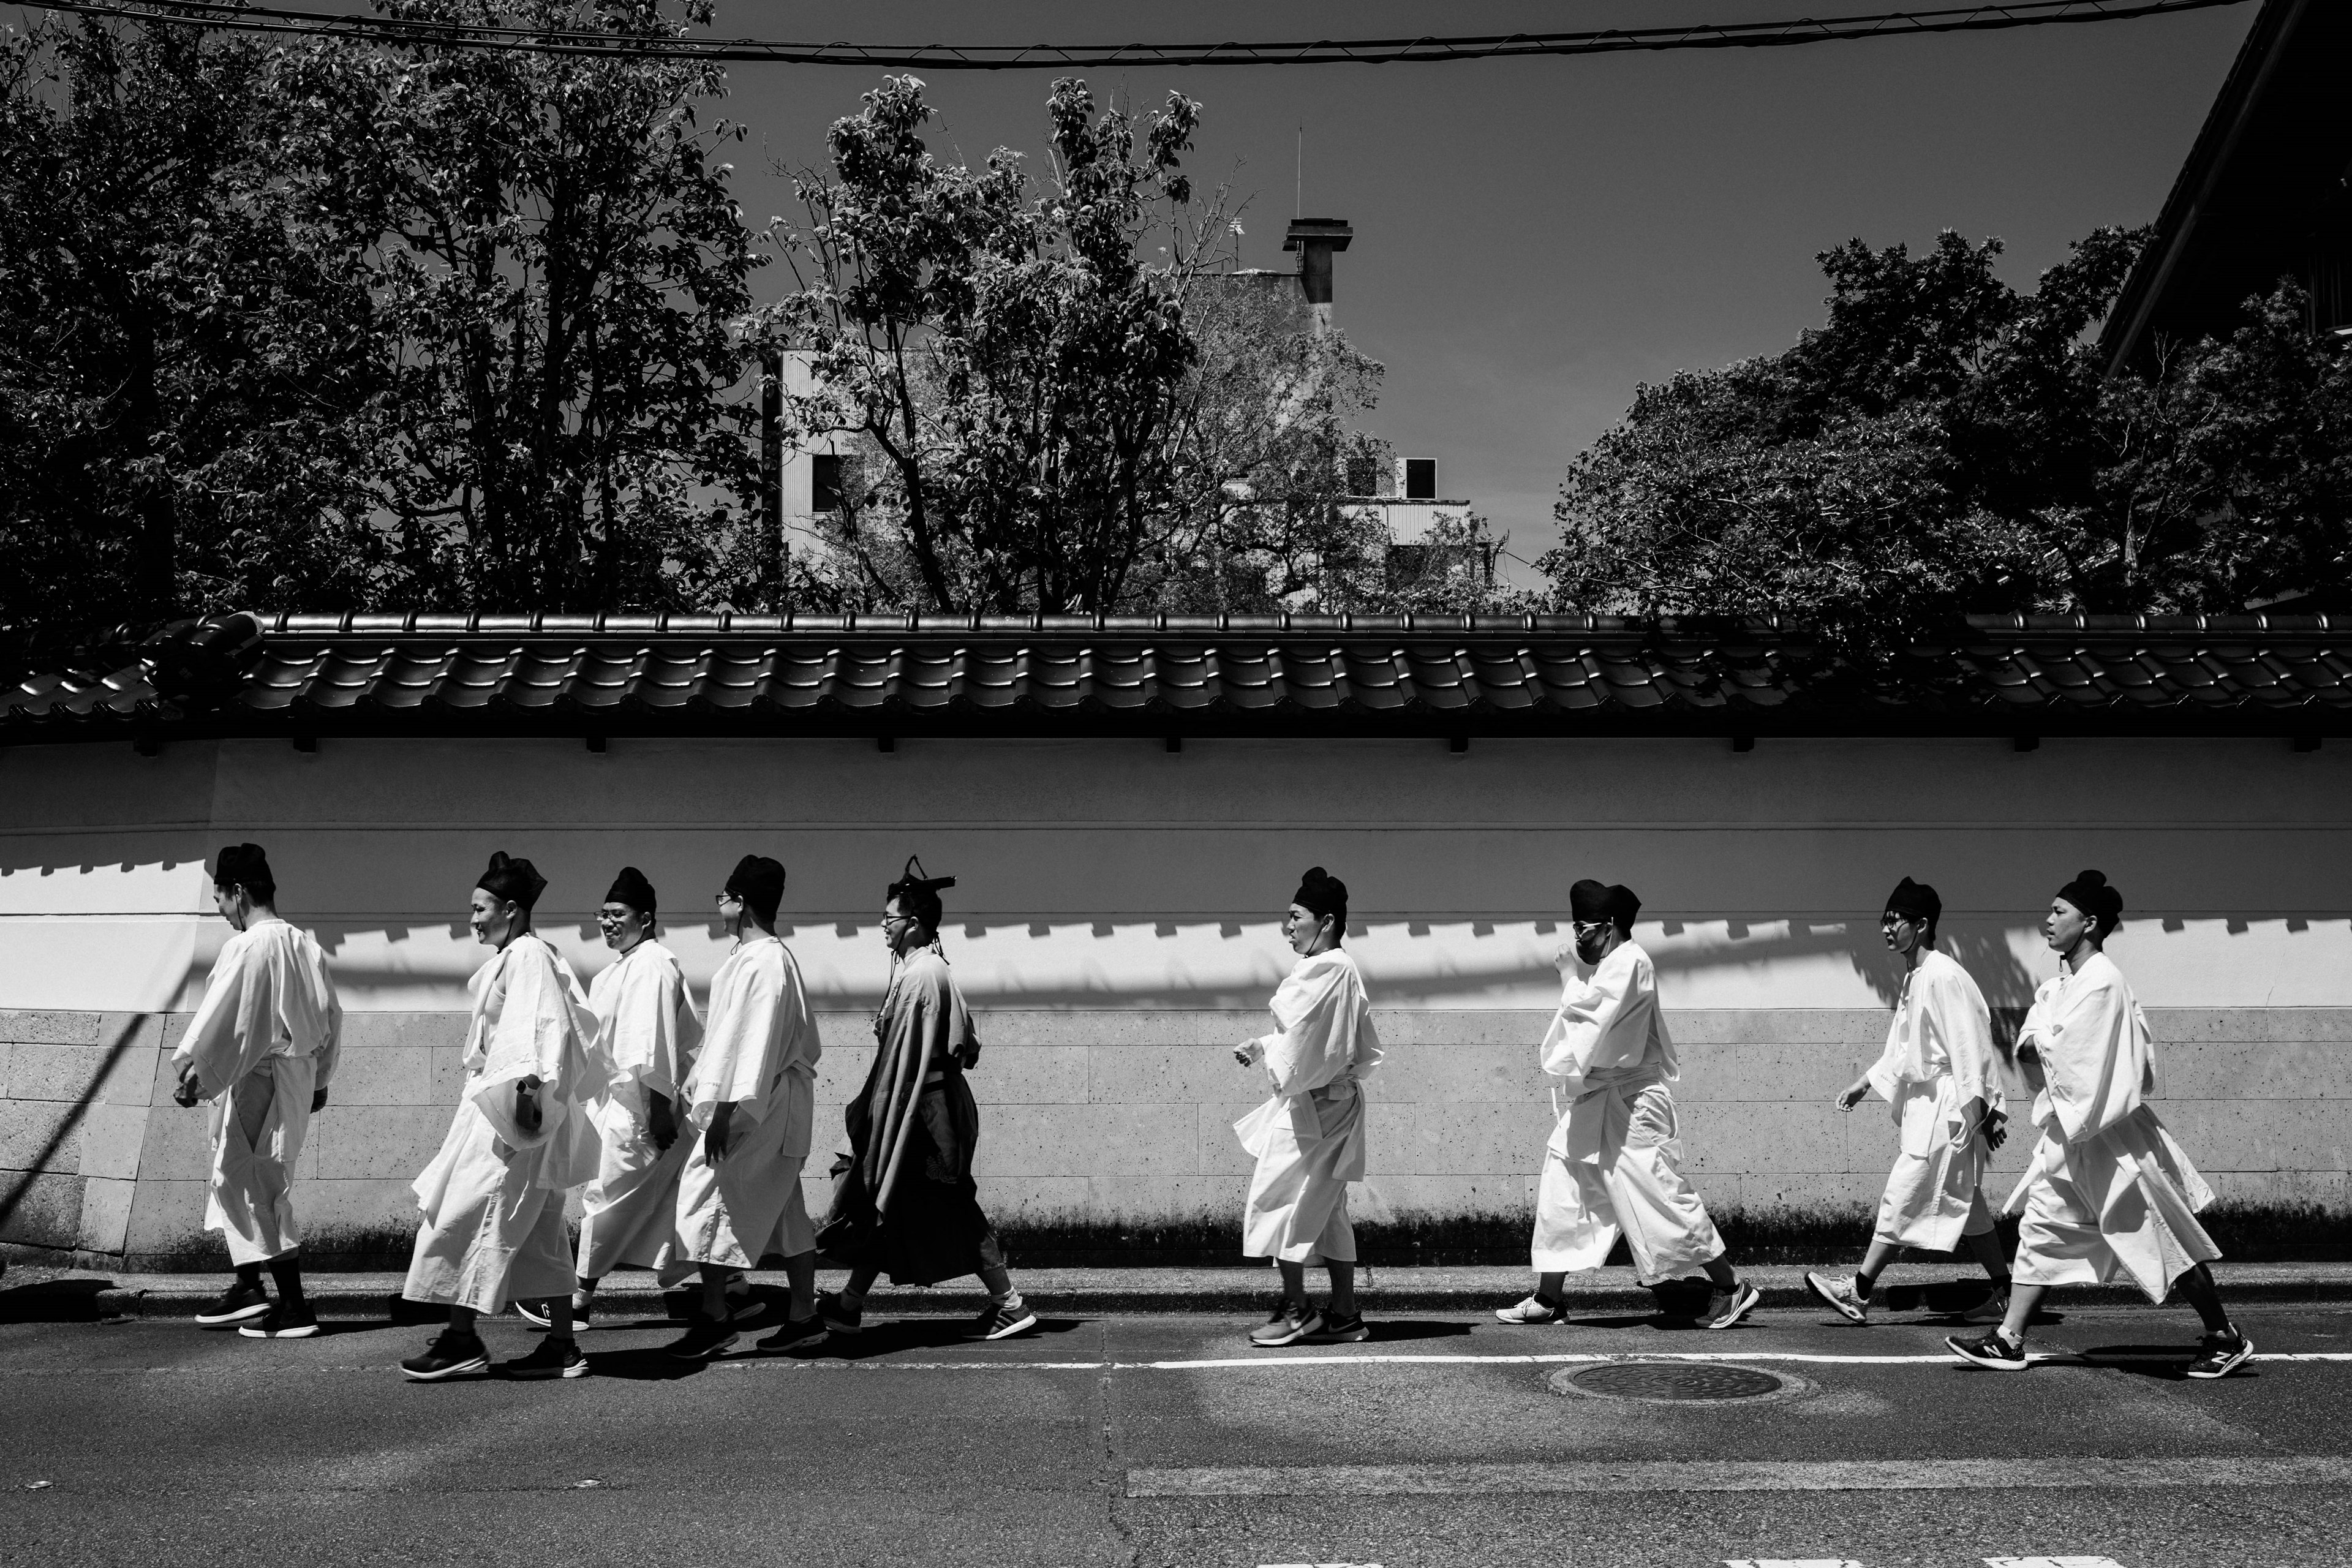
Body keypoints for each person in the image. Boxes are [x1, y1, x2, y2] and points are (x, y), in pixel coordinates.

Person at [1948, 870, 2253, 1378]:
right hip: (2069, 1138)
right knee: (2041, 1228)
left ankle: (2225, 1336)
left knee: (2159, 1237)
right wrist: (2042, 1040)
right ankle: (2009, 1338)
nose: (2047, 921)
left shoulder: (2104, 982)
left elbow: (2070, 1054)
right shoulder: (2062, 984)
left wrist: (2041, 1041)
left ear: (2089, 923)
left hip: (2110, 1140)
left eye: (2058, 912)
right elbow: (2035, 1041)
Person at [1494, 879, 1760, 1330]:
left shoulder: (1631, 962)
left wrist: (1567, 976)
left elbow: (1591, 1019)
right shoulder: (1614, 965)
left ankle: (1732, 1287)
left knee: (1659, 1195)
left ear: (1609, 925)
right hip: (1600, 1100)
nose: (1577, 937)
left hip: (1632, 1103)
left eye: (1583, 927)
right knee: (1564, 1186)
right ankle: (1549, 1297)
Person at [399, 853, 604, 1382]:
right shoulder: (521, 954)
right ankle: (562, 1346)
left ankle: (462, 1338)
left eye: (479, 908)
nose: (471, 919)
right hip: (506, 1105)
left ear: (510, 910)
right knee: (539, 1232)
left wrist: (527, 1103)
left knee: (467, 1213)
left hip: (511, 1114)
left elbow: (536, 1031)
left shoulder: (529, 954)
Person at [815, 858, 1036, 1342]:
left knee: (948, 1202)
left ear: (914, 923)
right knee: (889, 1201)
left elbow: (904, 1060)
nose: (883, 926)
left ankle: (1009, 1303)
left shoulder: (922, 975)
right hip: (925, 1105)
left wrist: (878, 1112)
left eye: (889, 919)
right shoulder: (928, 969)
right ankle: (850, 1304)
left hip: (924, 1111)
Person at [1805, 877, 2013, 1326]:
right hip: (1930, 1106)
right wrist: (1865, 1082)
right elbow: (1903, 1048)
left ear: (1920, 925)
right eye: (1885, 919)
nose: (1886, 928)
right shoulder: (1917, 975)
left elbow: (1970, 1043)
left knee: (1902, 1193)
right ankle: (2006, 1294)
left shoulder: (1943, 975)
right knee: (1971, 1206)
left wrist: (1985, 1108)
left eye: (1894, 920)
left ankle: (1857, 1290)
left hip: (1946, 1110)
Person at [172, 843, 342, 1340]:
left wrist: (192, 1075)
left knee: (256, 1182)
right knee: (240, 1173)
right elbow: (332, 1018)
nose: (221, 911)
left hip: (259, 1079)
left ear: (239, 892)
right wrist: (321, 1079)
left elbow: (230, 1021)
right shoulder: (306, 945)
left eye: (221, 899)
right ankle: (248, 1284)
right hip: (294, 1074)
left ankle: (294, 1305)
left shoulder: (248, 947)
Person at [663, 855, 829, 1360]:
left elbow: (751, 1047)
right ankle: (803, 1317)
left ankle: (716, 1318)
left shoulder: (765, 963)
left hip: (755, 1105)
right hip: (770, 1101)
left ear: (743, 904)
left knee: (705, 1196)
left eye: (724, 896)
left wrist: (723, 1114)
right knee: (787, 1213)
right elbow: (732, 1039)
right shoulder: (757, 957)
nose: (719, 905)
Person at [545, 867, 702, 1331]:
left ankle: (577, 1299)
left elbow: (652, 1047)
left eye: (618, 914)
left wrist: (658, 1112)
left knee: (605, 1199)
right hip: (617, 1103)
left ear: (646, 919)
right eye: (603, 914)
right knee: (672, 1198)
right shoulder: (616, 971)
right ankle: (728, 1291)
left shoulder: (654, 964)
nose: (607, 923)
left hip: (640, 1108)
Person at [1232, 866, 1383, 1348]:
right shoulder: (1335, 969)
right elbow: (1306, 1037)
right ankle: (1344, 1314)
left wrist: (1274, 1049)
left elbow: (1298, 1030)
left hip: (1319, 1108)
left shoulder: (1330, 968)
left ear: (1328, 921)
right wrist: (1263, 1045)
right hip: (1324, 1103)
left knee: (1280, 1198)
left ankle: (1300, 1310)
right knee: (1328, 1210)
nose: (1288, 927)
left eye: (1295, 917)